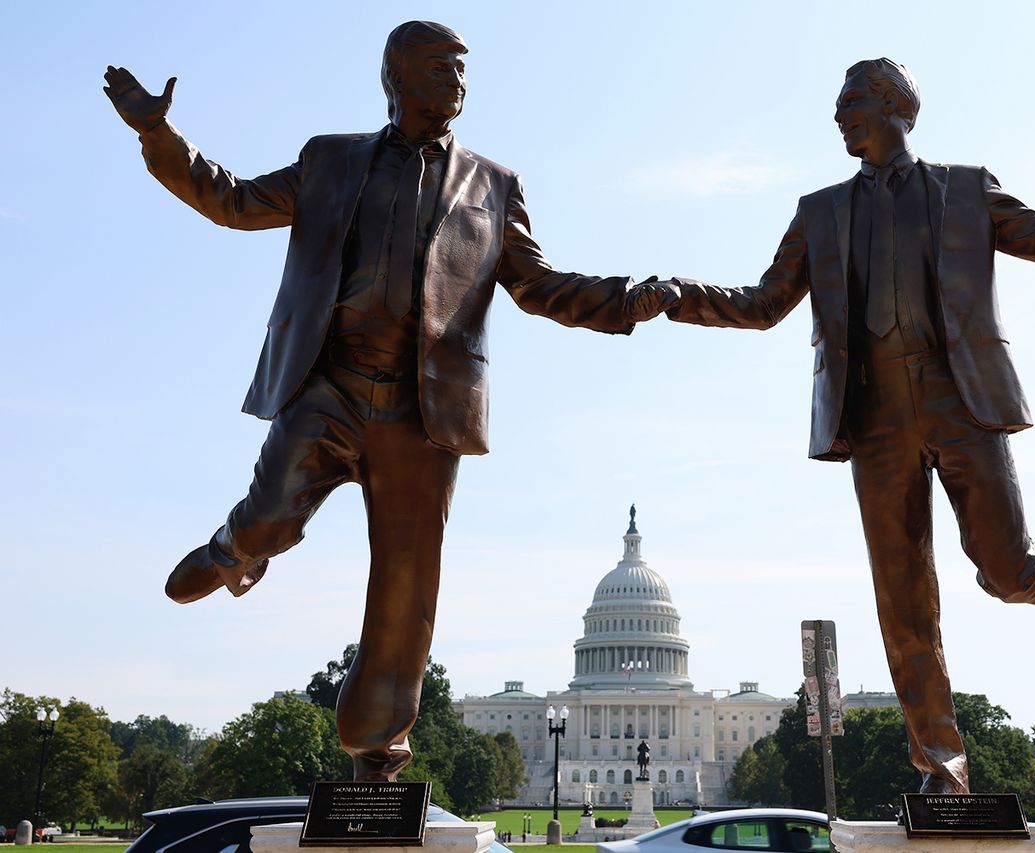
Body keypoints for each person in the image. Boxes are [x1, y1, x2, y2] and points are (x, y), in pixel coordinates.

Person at [104, 20, 666, 781]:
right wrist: (158, 133)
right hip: (329, 384)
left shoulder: (494, 185)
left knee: (406, 583)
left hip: (423, 411)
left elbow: (539, 286)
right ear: (395, 77)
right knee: (272, 513)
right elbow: (232, 201)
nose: (456, 83)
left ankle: (377, 746)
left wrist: (628, 299)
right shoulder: (330, 160)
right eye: (439, 68)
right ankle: (238, 549)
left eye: (461, 70)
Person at [627, 58, 1035, 793]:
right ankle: (942, 761)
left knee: (1009, 572)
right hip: (874, 417)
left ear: (898, 106)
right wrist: (679, 295)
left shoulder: (965, 188)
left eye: (852, 101)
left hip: (962, 401)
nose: (839, 116)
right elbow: (764, 304)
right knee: (903, 599)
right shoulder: (820, 211)